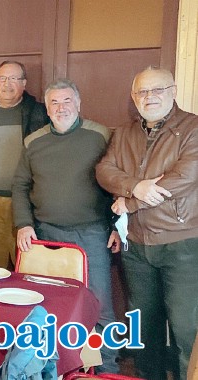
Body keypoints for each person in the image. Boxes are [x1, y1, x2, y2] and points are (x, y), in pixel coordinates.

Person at [12, 78, 120, 373]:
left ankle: (106, 369)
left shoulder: (100, 135)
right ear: (46, 109)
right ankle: (52, 368)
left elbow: (116, 180)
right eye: (54, 103)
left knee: (99, 307)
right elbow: (20, 186)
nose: (61, 108)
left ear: (79, 103)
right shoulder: (34, 142)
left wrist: (116, 226)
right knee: (47, 306)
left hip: (92, 233)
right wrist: (23, 224)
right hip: (45, 236)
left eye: (67, 100)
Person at [96, 67, 198, 379]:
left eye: (157, 90)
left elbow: (185, 177)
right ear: (133, 97)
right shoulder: (125, 132)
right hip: (137, 245)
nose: (149, 97)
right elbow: (104, 170)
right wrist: (135, 187)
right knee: (143, 327)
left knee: (186, 328)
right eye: (142, 91)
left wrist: (129, 201)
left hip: (181, 243)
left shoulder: (193, 127)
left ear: (173, 91)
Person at [0, 61, 48, 269]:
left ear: (24, 83)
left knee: (25, 264)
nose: (7, 84)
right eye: (2, 78)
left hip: (24, 202)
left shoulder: (38, 112)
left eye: (14, 78)